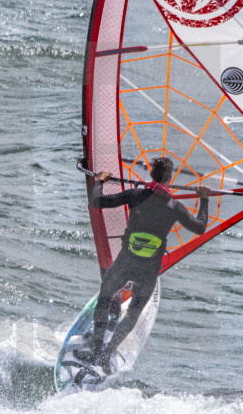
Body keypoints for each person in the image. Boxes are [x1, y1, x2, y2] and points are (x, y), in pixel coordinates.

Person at [77, 156, 212, 373]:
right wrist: (204, 199)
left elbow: (97, 202)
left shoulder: (136, 195)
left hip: (125, 262)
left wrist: (100, 181)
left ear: (150, 174)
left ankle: (95, 351)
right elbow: (199, 227)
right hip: (149, 269)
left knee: (104, 299)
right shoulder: (174, 207)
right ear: (170, 177)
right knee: (133, 313)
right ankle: (107, 353)